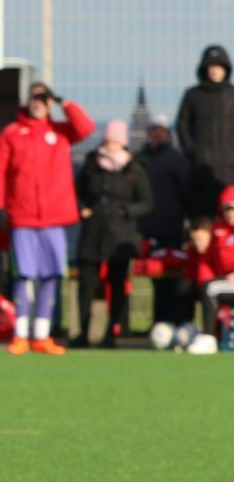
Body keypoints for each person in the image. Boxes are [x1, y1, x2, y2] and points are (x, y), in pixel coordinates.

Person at [0, 82, 95, 355]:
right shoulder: (12, 133)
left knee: (51, 276)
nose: (38, 102)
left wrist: (62, 101)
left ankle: (42, 335)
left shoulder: (60, 132)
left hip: (54, 219)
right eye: (35, 98)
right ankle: (20, 334)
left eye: (44, 99)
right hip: (22, 218)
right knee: (23, 275)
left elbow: (86, 128)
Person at [72, 120, 153, 348]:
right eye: (108, 140)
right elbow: (76, 191)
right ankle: (82, 333)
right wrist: (82, 208)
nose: (111, 145)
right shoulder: (91, 164)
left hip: (120, 235)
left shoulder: (133, 168)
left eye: (116, 141)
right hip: (92, 232)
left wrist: (126, 211)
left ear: (123, 142)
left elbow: (147, 202)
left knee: (116, 284)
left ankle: (111, 333)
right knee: (86, 283)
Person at [137, 117, 191, 327]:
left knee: (172, 278)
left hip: (171, 231)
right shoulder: (140, 159)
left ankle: (173, 320)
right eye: (153, 130)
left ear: (168, 133)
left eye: (161, 130)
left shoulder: (177, 161)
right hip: (145, 230)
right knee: (154, 278)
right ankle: (159, 321)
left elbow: (187, 193)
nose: (157, 134)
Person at [176, 44, 234, 225]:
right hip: (200, 170)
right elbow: (182, 125)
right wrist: (193, 152)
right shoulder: (193, 95)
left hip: (230, 170)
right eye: (211, 67)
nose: (215, 71)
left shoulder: (232, 95)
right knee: (202, 222)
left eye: (219, 67)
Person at [178, 188, 234, 351]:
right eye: (226, 209)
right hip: (226, 283)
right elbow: (206, 262)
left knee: (211, 288)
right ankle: (193, 329)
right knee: (196, 287)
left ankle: (208, 337)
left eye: (232, 209)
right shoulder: (218, 232)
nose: (229, 213)